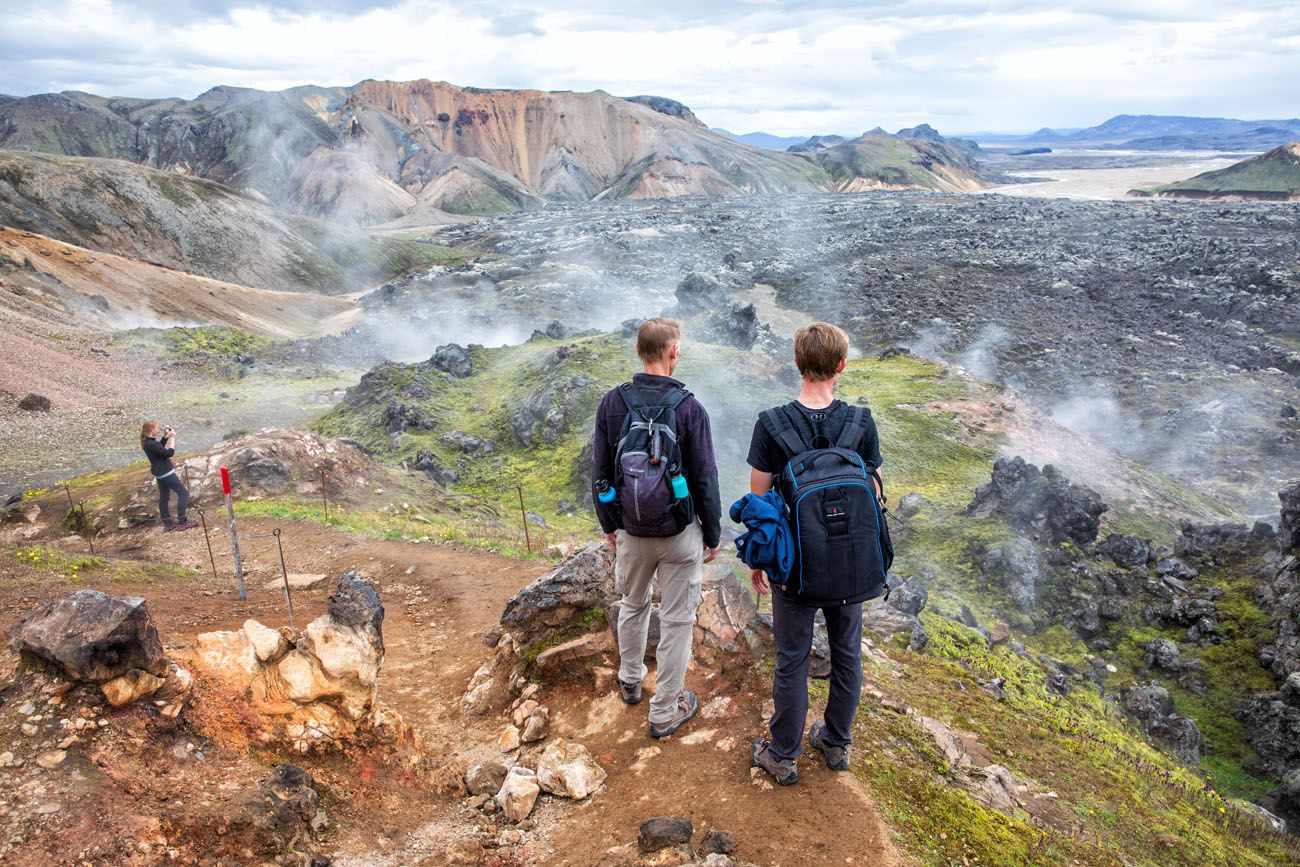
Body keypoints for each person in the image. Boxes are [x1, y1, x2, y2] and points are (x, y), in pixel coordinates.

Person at [745, 322, 886, 785]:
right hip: (851, 567)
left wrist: (761, 563)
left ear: (796, 363)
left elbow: (761, 503)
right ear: (841, 365)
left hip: (798, 570)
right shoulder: (861, 423)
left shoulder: (771, 424)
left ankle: (783, 754)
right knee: (847, 654)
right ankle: (836, 743)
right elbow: (874, 491)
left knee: (793, 658)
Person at [592, 317, 722, 738]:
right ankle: (664, 710)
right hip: (680, 535)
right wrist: (714, 534)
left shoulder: (613, 403)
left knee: (633, 604)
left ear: (638, 350)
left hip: (630, 530)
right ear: (673, 352)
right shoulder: (689, 408)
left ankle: (630, 680)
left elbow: (600, 474)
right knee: (678, 620)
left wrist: (611, 526)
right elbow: (705, 478)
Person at [141, 421, 196, 531]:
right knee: (183, 493)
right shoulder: (151, 443)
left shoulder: (147, 442)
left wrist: (165, 437)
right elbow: (169, 453)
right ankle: (182, 521)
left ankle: (168, 523)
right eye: (156, 428)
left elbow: (159, 449)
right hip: (166, 472)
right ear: (151, 429)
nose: (157, 429)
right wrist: (172, 438)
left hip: (159, 473)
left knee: (164, 497)